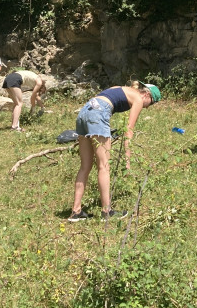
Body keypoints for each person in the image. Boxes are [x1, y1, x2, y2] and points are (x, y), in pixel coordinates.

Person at [69, 81, 161, 221]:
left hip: (84, 112)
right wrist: (127, 161)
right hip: (98, 115)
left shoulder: (121, 88)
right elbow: (128, 131)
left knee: (85, 166)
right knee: (104, 166)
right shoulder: (138, 99)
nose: (148, 107)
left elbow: (102, 99)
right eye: (152, 103)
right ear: (147, 95)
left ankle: (75, 211)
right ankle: (107, 211)